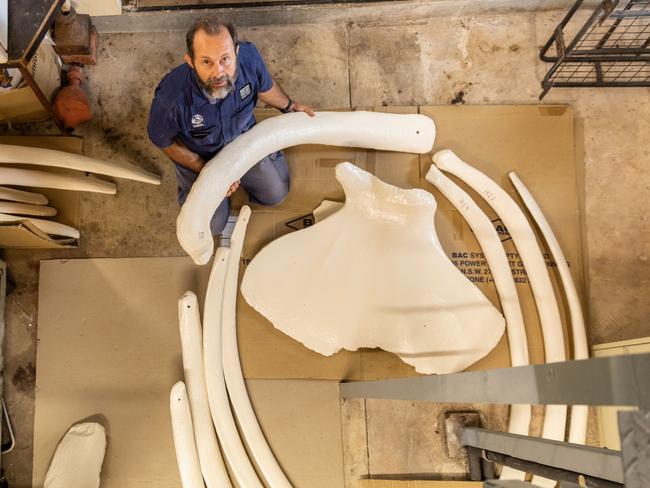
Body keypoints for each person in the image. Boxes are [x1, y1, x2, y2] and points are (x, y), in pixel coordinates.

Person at [147, 17, 315, 235]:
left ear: (236, 52)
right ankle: (189, 188)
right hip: (200, 156)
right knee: (212, 227)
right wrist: (208, 171)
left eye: (225, 59)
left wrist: (289, 106)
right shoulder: (171, 100)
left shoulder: (249, 57)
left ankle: (260, 163)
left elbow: (265, 86)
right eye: (206, 62)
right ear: (191, 61)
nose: (218, 73)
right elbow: (164, 141)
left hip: (242, 140)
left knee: (276, 194)